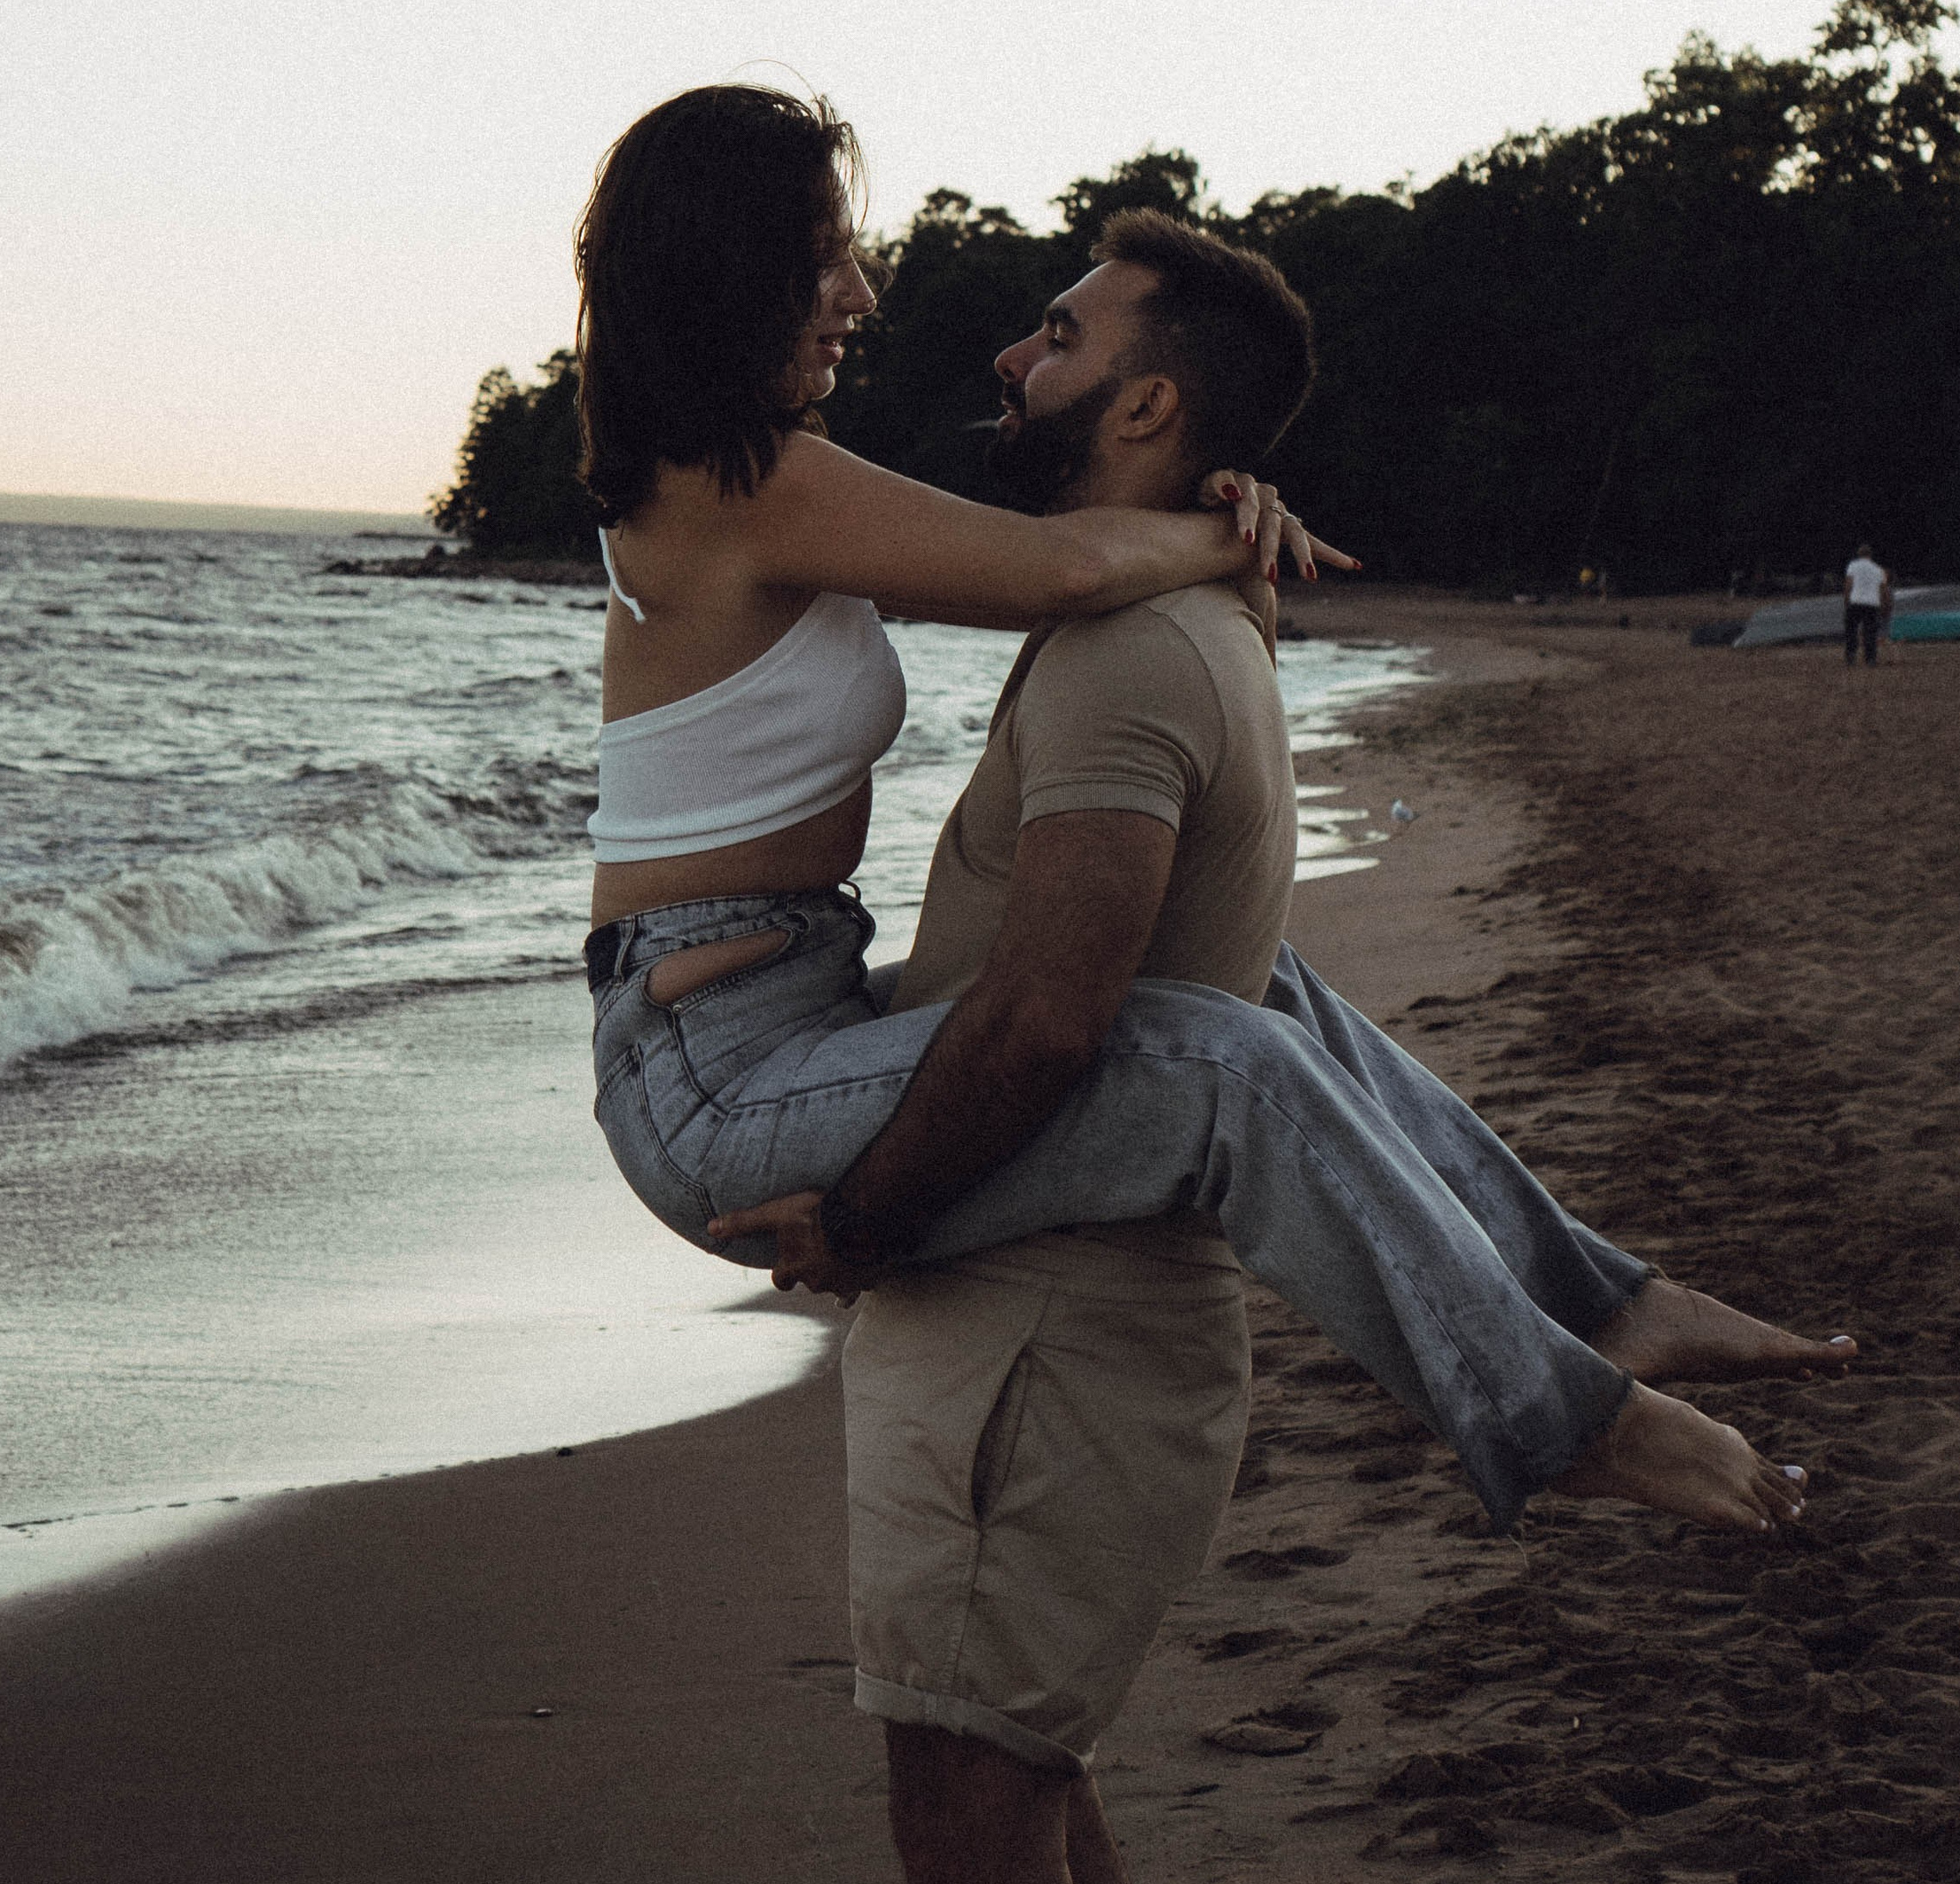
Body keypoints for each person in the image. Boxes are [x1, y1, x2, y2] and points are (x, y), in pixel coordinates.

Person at [580, 85, 1842, 1551]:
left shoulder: (760, 486)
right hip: (710, 1079)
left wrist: (1207, 527)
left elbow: (1050, 561)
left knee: (1255, 984)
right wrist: (1231, 528)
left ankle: (1601, 1300)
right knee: (1223, 1057)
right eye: (826, 258)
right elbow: (1055, 574)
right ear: (731, 269)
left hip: (779, 1006)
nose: (862, 292)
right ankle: (1561, 1418)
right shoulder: (735, 485)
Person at [1843, 541, 1893, 666]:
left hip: (1856, 601)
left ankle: (1851, 656)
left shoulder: (1853, 566)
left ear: (1859, 554)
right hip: (1872, 603)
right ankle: (1870, 659)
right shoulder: (1878, 570)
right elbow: (1884, 590)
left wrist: (1846, 600)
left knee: (1852, 631)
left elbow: (1849, 584)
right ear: (1870, 555)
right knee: (1870, 632)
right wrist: (1885, 605)